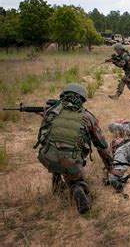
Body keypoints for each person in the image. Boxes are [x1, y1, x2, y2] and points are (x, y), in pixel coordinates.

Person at [35, 83, 113, 214]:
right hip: (70, 160)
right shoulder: (88, 117)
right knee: (75, 178)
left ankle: (57, 187)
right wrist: (110, 167)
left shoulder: (51, 112)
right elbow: (101, 145)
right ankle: (77, 188)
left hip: (47, 157)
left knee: (57, 148)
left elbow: (44, 137)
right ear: (82, 99)